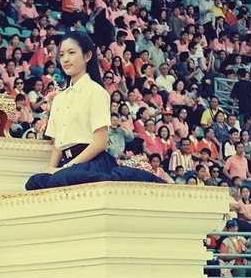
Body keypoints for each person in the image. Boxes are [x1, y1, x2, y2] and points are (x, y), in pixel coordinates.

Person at [25, 32, 161, 190]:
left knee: (67, 177)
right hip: (67, 164)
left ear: (87, 56)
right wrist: (50, 170)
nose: (65, 59)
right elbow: (57, 144)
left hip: (91, 163)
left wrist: (65, 169)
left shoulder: (96, 92)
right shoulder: (59, 99)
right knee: (35, 182)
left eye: (71, 53)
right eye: (62, 55)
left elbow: (100, 143)